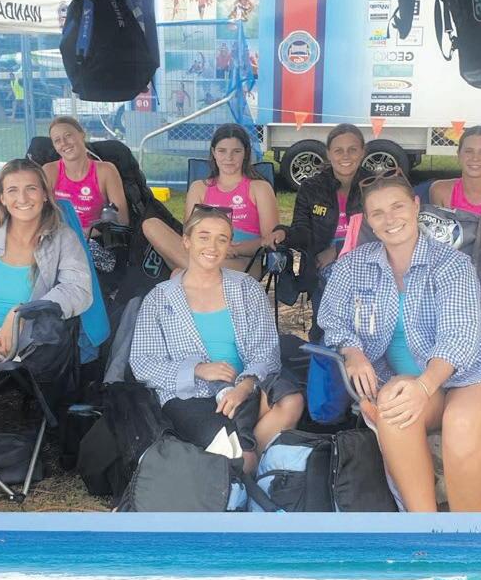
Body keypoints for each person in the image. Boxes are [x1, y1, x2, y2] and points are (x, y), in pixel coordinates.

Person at [318, 171, 481, 512]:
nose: (390, 219)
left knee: (461, 422)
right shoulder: (352, 266)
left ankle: (467, 535)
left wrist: (423, 387)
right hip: (419, 382)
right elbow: (332, 318)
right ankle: (426, 529)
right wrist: (353, 351)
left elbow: (458, 338)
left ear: (416, 206)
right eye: (378, 213)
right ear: (368, 222)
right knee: (393, 406)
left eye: (398, 206)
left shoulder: (451, 264)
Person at [130, 206, 304, 474]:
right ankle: (251, 465)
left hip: (246, 385)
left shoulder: (246, 287)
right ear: (186, 241)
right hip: (191, 394)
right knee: (242, 457)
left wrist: (245, 385)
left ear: (229, 246)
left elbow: (267, 349)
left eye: (222, 239)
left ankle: (246, 467)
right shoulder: (160, 298)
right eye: (204, 237)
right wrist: (197, 369)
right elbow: (143, 363)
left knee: (291, 401)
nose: (212, 246)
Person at [0, 157, 92, 462]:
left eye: (31, 188)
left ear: (45, 194)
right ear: (2, 198)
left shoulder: (62, 239)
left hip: (5, 341)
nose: (22, 198)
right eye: (12, 190)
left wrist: (22, 311)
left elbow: (79, 290)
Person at [267, 125, 366, 342]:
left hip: (366, 258)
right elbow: (303, 230)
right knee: (328, 277)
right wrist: (285, 233)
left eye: (352, 149)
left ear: (362, 152)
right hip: (323, 262)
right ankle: (326, 340)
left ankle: (334, 339)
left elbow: (382, 232)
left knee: (339, 277)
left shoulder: (375, 186)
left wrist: (338, 250)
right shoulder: (312, 187)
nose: (345, 156)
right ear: (329, 153)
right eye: (338, 150)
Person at [143, 123, 279, 273]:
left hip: (243, 260)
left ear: (246, 153)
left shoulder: (259, 188)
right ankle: (194, 271)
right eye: (222, 151)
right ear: (213, 152)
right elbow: (188, 235)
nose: (229, 157)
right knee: (151, 224)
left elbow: (270, 240)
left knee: (177, 274)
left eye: (236, 151)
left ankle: (188, 273)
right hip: (203, 253)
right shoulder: (199, 188)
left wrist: (235, 249)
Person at [44, 116, 129, 235]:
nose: (64, 143)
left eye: (68, 135)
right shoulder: (49, 171)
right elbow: (40, 216)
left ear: (82, 134)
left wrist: (84, 234)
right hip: (59, 238)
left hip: (94, 239)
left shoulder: (106, 171)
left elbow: (122, 220)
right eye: (57, 140)